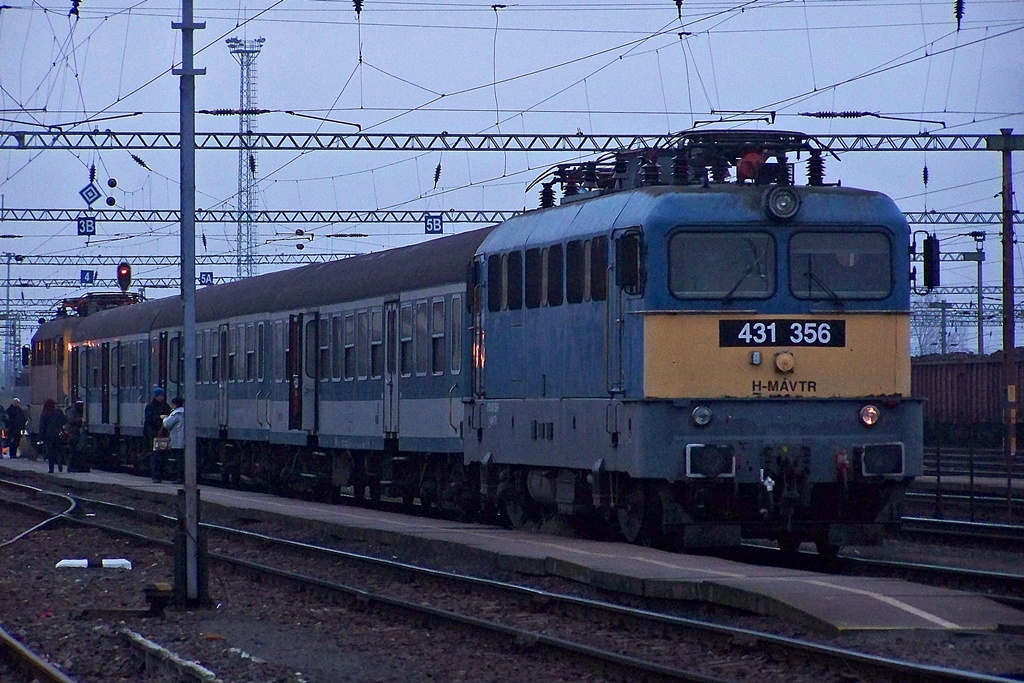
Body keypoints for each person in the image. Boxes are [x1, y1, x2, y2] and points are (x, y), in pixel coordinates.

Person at [145, 387, 171, 483]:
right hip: (154, 434)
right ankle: (155, 476)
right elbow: (149, 420)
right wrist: (159, 418)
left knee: (162, 455)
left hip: (163, 434)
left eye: (162, 396)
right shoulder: (150, 406)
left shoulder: (165, 406)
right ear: (156, 396)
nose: (161, 397)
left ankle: (161, 474)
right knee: (155, 455)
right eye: (160, 396)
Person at [38, 398, 66, 473]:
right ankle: (60, 464)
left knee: (51, 452)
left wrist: (41, 437)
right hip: (58, 434)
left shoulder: (45, 413)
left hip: (49, 436)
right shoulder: (59, 412)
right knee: (58, 451)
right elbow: (64, 421)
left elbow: (42, 426)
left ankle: (51, 469)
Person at [162, 397, 185, 484]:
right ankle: (182, 477)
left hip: (177, 441)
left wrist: (164, 418)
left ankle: (178, 477)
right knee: (182, 460)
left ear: (175, 404)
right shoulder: (185, 413)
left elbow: (167, 424)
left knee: (177, 460)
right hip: (183, 440)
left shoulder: (176, 413)